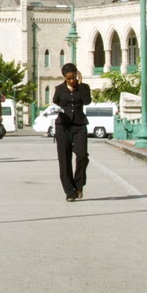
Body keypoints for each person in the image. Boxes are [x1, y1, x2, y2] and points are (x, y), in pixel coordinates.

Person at [52, 62, 91, 200]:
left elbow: (86, 102)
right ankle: (70, 192)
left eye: (73, 77)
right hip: (63, 126)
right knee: (64, 159)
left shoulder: (84, 88)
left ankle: (79, 185)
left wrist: (80, 85)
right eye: (68, 79)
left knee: (82, 156)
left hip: (79, 125)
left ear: (77, 74)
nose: (71, 81)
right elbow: (55, 102)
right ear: (64, 78)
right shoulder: (59, 89)